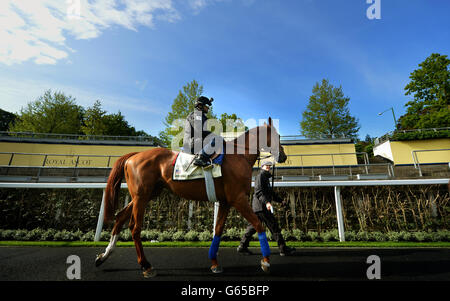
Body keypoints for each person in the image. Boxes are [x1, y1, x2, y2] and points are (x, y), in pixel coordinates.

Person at [237, 160, 296, 256]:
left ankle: (242, 246)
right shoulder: (261, 176)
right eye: (266, 165)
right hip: (262, 207)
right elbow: (259, 192)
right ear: (262, 167)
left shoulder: (265, 178)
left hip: (259, 207)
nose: (268, 167)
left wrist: (281, 201)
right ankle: (283, 249)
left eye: (269, 166)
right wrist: (267, 203)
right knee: (274, 227)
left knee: (252, 227)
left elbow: (271, 193)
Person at [183, 96, 223, 167]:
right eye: (207, 105)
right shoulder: (195, 115)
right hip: (192, 144)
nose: (208, 107)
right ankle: (202, 158)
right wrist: (214, 135)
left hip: (200, 142)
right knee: (217, 139)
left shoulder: (202, 116)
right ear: (200, 105)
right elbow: (200, 131)